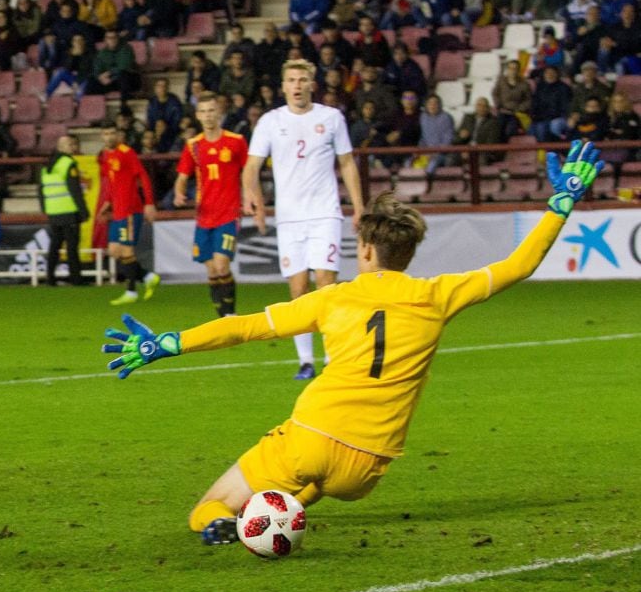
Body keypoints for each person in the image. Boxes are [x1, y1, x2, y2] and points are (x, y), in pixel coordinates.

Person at [102, 141, 605, 545]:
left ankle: (227, 524)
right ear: (407, 252)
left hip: (311, 437)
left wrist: (169, 343)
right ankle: (278, 517)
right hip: (367, 467)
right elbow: (519, 266)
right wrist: (560, 204)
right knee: (304, 490)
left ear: (364, 249)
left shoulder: (332, 299)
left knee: (208, 507)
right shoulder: (437, 295)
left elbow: (244, 326)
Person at [243, 59, 364, 380]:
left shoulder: (331, 118)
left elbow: (348, 164)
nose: (297, 85)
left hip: (325, 213)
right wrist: (252, 196)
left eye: (303, 79)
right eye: (291, 80)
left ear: (313, 84)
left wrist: (359, 207)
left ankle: (333, 357)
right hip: (289, 219)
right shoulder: (270, 122)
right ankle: (305, 361)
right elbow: (252, 167)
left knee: (326, 283)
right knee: (298, 290)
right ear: (283, 87)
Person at [173, 92, 248, 317]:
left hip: (229, 212)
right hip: (204, 216)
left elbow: (249, 172)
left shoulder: (236, 141)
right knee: (212, 270)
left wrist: (253, 200)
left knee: (222, 264)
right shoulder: (193, 145)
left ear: (219, 112)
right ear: (197, 115)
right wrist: (178, 193)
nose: (207, 116)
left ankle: (231, 315)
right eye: (203, 111)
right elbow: (183, 176)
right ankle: (221, 317)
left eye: (211, 111)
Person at [98, 120, 160, 305]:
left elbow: (142, 175)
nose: (109, 137)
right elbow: (111, 181)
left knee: (126, 250)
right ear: (102, 136)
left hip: (130, 210)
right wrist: (107, 202)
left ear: (118, 135)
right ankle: (147, 277)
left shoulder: (126, 152)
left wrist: (149, 202)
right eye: (106, 134)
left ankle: (131, 291)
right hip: (117, 210)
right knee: (114, 251)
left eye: (112, 133)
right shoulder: (105, 156)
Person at [42, 135, 90, 286]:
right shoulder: (69, 163)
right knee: (71, 246)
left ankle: (50, 278)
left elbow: (41, 190)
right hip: (69, 211)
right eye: (70, 144)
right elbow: (75, 189)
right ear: (61, 147)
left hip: (54, 212)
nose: (73, 147)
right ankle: (76, 279)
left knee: (55, 245)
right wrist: (83, 211)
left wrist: (46, 209)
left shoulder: (47, 165)